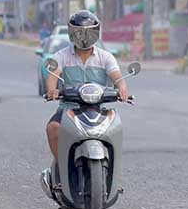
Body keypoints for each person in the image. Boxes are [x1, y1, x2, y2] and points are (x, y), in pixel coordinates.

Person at [44, 10, 129, 165]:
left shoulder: (106, 57)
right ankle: (64, 167)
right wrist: (52, 90)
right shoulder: (61, 55)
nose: (83, 37)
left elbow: (117, 77)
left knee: (116, 131)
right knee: (53, 129)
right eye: (79, 33)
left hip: (100, 109)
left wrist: (122, 88)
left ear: (96, 33)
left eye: (88, 33)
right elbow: (52, 75)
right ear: (72, 33)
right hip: (68, 109)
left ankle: (112, 172)